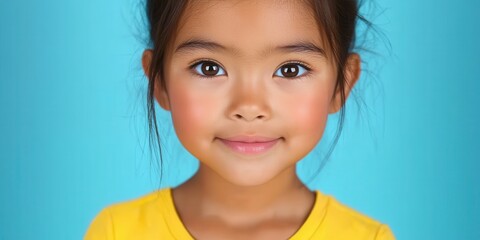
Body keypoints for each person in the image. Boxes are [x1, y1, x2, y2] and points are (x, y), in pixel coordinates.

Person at [85, 0, 395, 239]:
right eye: (209, 68)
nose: (249, 106)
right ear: (160, 81)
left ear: (342, 84)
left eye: (290, 69)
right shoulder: (117, 232)